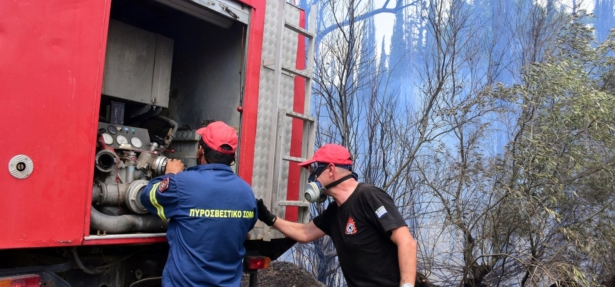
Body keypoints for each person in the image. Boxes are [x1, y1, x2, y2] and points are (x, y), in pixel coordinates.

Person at [257, 144, 417, 287]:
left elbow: (406, 242)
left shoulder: (368, 196)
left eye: (315, 171)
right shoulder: (334, 212)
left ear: (331, 169)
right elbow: (304, 233)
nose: (312, 178)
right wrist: (269, 218)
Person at [141, 121, 258, 287]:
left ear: (201, 150)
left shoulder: (182, 184)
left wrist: (170, 175)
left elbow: (148, 198)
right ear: (233, 157)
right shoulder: (247, 192)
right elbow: (245, 228)